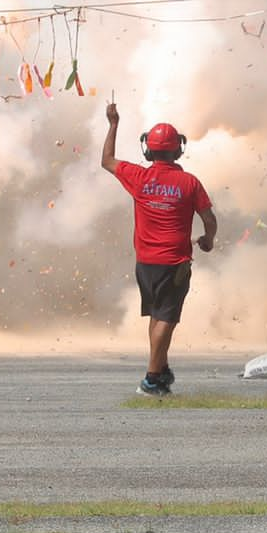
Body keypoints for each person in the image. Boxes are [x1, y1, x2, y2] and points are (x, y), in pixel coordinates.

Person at [101, 102, 216, 396]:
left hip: (145, 263)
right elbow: (209, 218)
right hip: (174, 263)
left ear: (148, 151)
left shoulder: (139, 178)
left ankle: (161, 371)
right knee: (167, 318)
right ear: (178, 150)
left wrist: (113, 123)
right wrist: (208, 239)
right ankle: (152, 378)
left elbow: (107, 160)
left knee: (157, 315)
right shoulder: (189, 183)